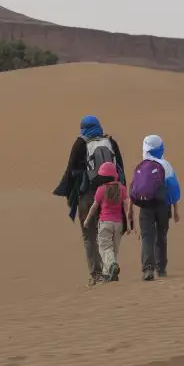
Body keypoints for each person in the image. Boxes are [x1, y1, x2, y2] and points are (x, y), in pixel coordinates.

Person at [53, 115, 126, 286]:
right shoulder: (110, 142)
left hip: (87, 195)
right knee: (107, 234)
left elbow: (70, 170)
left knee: (89, 236)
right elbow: (120, 170)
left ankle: (96, 274)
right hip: (111, 194)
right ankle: (109, 269)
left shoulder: (80, 143)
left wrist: (69, 195)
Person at [131, 135, 182, 281]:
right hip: (163, 206)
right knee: (161, 236)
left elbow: (134, 188)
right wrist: (176, 210)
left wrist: (130, 211)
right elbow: (173, 189)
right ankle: (161, 269)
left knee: (147, 237)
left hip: (145, 206)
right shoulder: (165, 165)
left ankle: (148, 269)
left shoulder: (142, 165)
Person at [82, 162, 133, 283]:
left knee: (104, 248)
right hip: (118, 224)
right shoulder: (122, 188)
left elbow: (94, 206)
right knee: (113, 250)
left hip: (105, 222)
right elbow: (127, 208)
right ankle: (108, 274)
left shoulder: (101, 189)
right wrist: (130, 225)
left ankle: (111, 267)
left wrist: (87, 219)